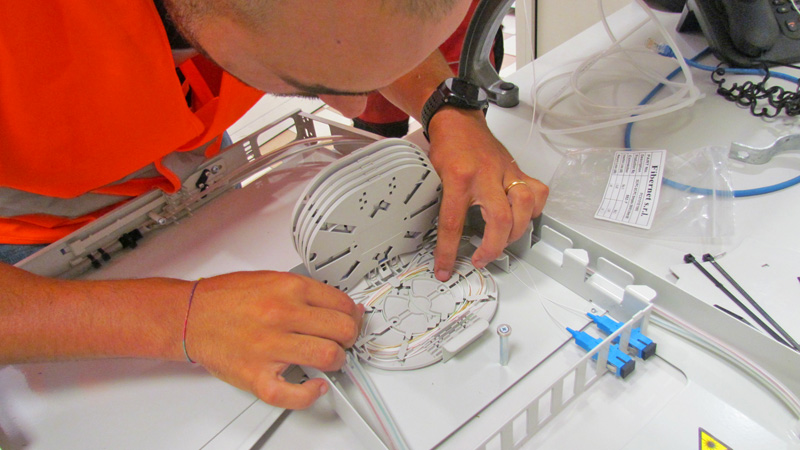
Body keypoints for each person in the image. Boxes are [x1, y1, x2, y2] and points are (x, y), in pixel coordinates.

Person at [0, 0, 548, 410]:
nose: (357, 108)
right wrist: (180, 319)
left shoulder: (244, 26)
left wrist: (446, 106)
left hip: (199, 179)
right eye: (308, 84)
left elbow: (355, 24)